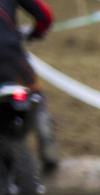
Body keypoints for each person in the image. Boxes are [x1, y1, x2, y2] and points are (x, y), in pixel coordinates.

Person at [0, 0, 58, 172]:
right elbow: (45, 16)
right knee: (35, 94)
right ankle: (47, 145)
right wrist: (36, 33)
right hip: (11, 56)